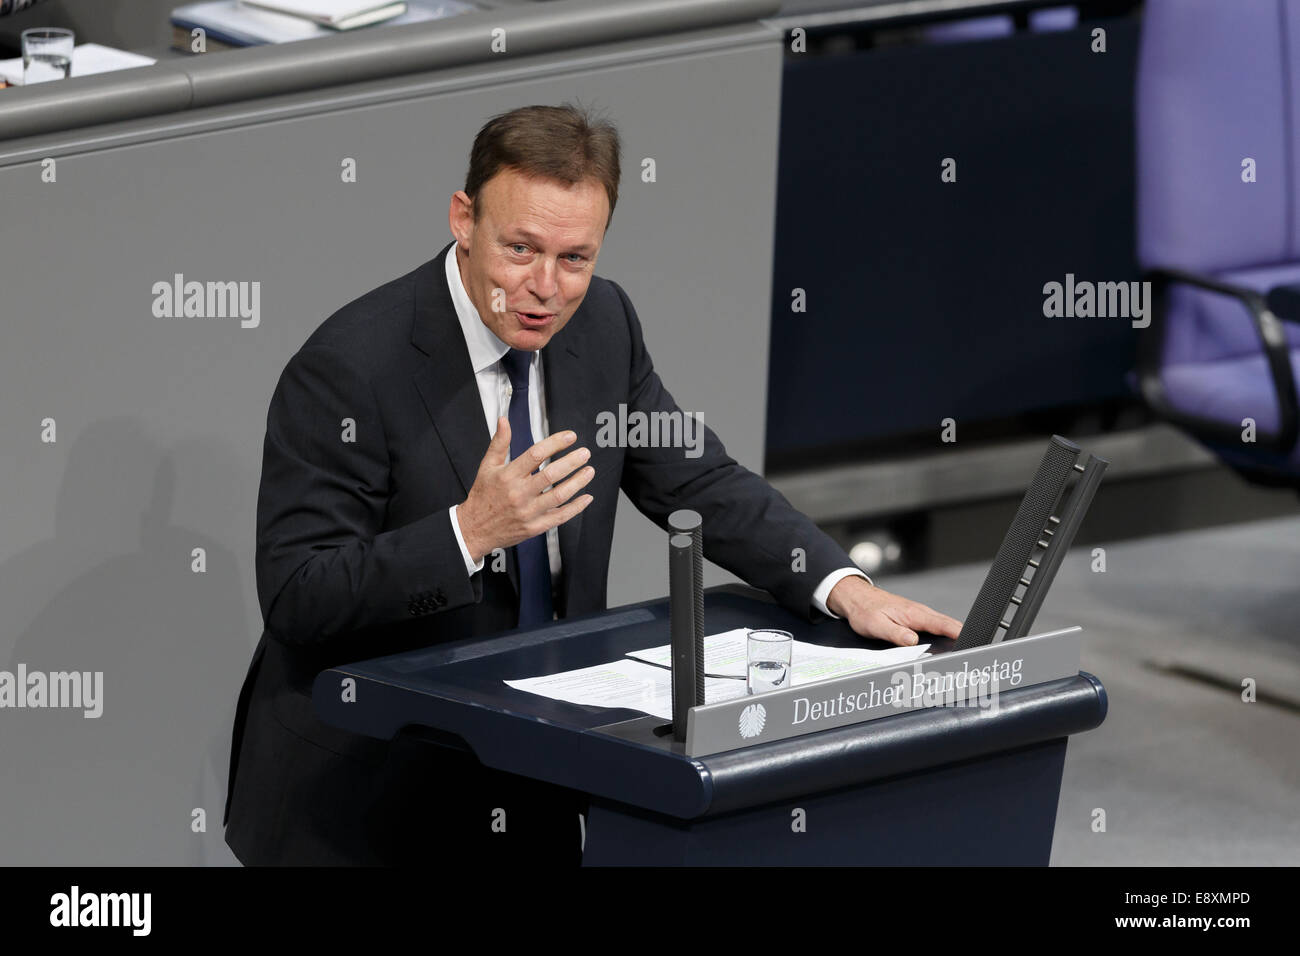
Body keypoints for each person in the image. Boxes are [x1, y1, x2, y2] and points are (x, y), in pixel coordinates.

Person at [223, 102, 963, 866]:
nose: (544, 287)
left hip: (535, 773)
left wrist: (842, 585)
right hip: (368, 803)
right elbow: (297, 593)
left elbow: (698, 477)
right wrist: (468, 534)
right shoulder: (352, 367)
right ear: (463, 219)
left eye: (575, 258)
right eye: (520, 249)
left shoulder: (603, 324)